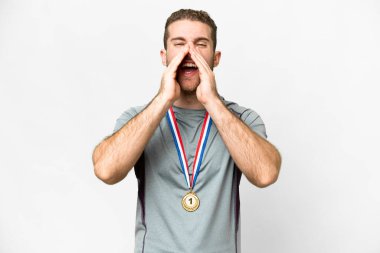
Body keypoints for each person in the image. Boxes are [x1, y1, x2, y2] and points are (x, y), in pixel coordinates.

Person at [92, 9, 281, 253]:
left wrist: (212, 102)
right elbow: (106, 170)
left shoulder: (242, 119)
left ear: (216, 58)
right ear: (164, 56)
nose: (189, 53)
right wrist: (163, 99)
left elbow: (265, 174)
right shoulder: (138, 119)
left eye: (201, 44)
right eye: (179, 44)